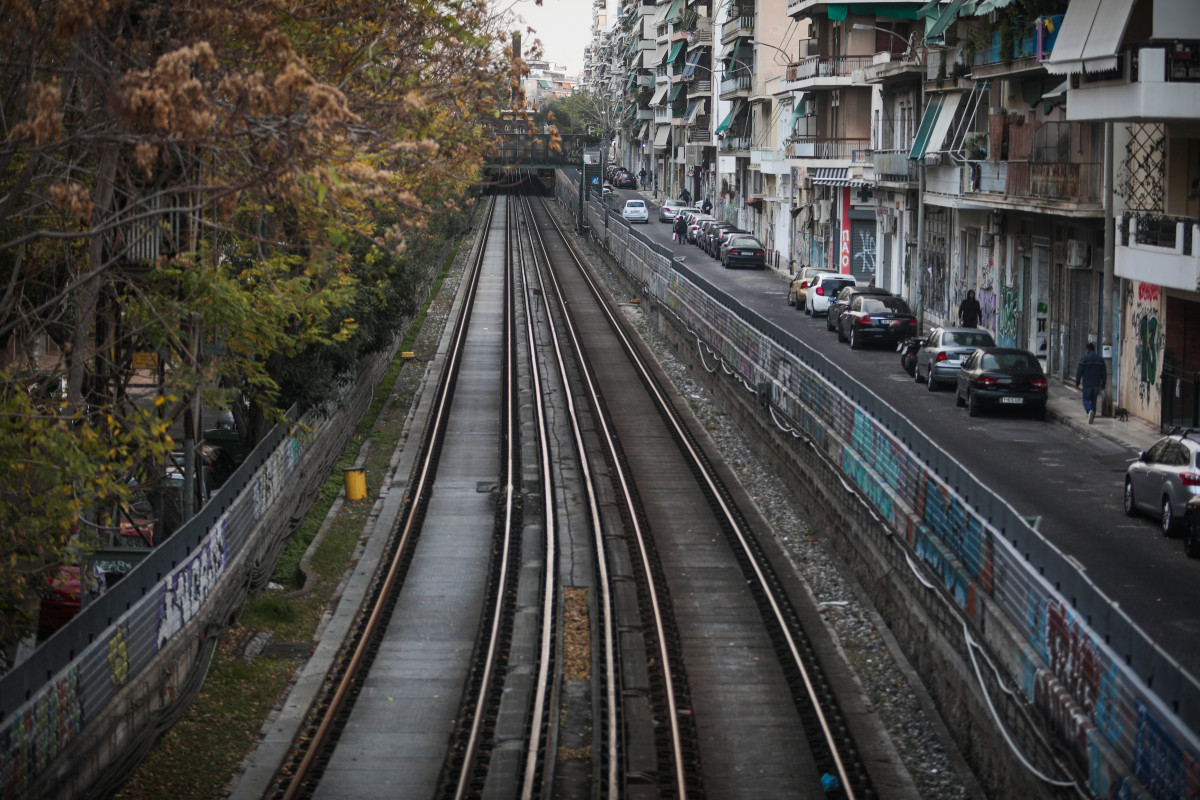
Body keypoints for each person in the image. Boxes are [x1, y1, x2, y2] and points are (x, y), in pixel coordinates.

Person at [1075, 341, 1106, 424]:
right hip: (1096, 383)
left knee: (1085, 399)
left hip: (1087, 383)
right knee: (1093, 400)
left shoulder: (1084, 359)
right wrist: (1103, 384)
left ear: (1087, 349)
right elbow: (1104, 373)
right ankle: (1092, 415)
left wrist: (1077, 383)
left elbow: (1079, 372)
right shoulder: (1100, 359)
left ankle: (1089, 412)